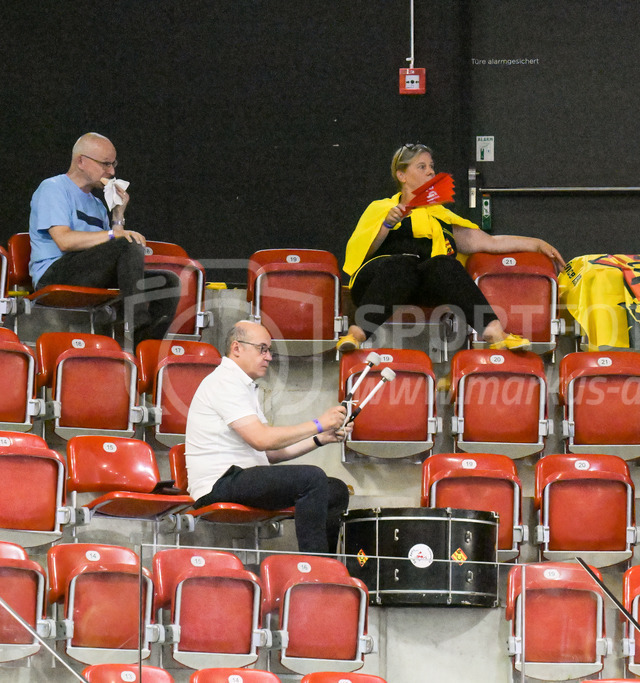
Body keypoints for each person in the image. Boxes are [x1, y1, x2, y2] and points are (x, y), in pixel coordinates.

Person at [338, 143, 566, 352]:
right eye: (421, 166)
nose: (430, 172)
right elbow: (361, 253)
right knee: (402, 262)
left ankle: (494, 332)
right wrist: (387, 225)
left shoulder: (442, 216)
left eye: (431, 166)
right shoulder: (381, 208)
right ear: (402, 175)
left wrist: (537, 244)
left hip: (421, 286)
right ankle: (356, 334)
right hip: (379, 282)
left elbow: (490, 242)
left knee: (445, 263)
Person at [184, 320, 351, 554]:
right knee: (311, 478)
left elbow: (270, 453)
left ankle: (328, 564)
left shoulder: (243, 386)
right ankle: (316, 569)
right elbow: (262, 440)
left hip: (242, 477)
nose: (269, 357)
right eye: (262, 348)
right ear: (237, 348)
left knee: (336, 490)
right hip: (219, 482)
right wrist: (318, 424)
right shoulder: (224, 382)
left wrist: (320, 438)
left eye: (269, 350)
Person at [28, 132, 180, 344]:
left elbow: (108, 248)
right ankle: (134, 320)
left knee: (167, 281)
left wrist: (118, 216)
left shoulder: (98, 204)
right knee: (126, 244)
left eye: (113, 164)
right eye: (106, 164)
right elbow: (64, 241)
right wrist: (114, 235)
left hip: (86, 270)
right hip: (54, 272)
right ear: (81, 161)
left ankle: (144, 347)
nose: (112, 171)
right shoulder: (53, 188)